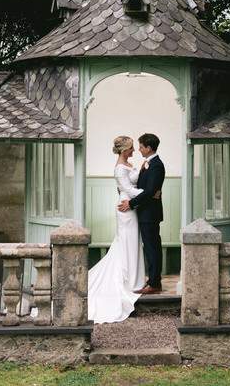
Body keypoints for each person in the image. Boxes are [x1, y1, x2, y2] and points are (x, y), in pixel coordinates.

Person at [87, 136, 146, 323]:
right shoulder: (120, 168)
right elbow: (128, 189)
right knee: (126, 242)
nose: (134, 151)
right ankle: (128, 279)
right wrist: (149, 194)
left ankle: (134, 277)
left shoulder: (126, 164)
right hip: (126, 207)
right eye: (130, 149)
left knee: (131, 242)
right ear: (124, 150)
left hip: (132, 206)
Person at [119, 132, 164, 294]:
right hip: (145, 212)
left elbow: (151, 189)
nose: (138, 150)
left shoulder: (157, 165)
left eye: (141, 147)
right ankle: (152, 280)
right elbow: (147, 190)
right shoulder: (148, 163)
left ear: (149, 148)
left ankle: (154, 283)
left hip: (150, 214)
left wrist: (131, 203)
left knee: (152, 248)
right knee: (150, 248)